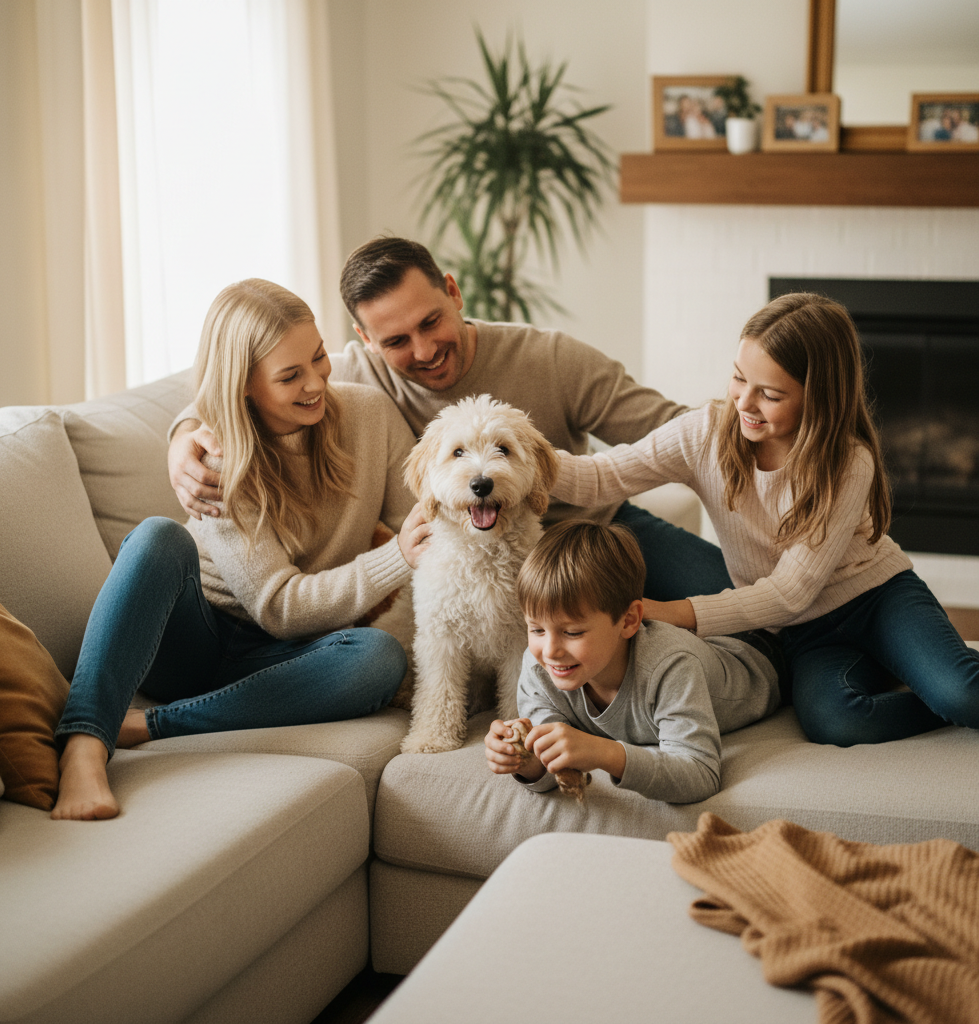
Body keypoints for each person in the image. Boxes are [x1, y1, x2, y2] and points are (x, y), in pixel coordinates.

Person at [168, 236, 732, 602]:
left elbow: (680, 430)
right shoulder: (354, 375)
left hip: (594, 530)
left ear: (454, 292)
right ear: (365, 340)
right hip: (483, 562)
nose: (424, 350)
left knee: (733, 595)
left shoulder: (552, 358)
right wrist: (186, 438)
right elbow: (248, 386)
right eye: (396, 340)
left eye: (432, 321)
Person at [52, 279, 430, 820]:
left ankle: (152, 725)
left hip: (285, 659)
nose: (316, 383)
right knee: (159, 537)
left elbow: (414, 525)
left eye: (319, 357)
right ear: (245, 384)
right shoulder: (219, 457)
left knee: (378, 660)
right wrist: (398, 555)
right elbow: (280, 608)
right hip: (191, 639)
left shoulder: (370, 415)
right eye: (289, 376)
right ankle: (84, 743)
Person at [549, 292, 979, 747]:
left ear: (818, 398)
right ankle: (915, 685)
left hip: (878, 599)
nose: (744, 403)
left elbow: (791, 591)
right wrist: (513, 458)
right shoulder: (704, 434)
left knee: (962, 693)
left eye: (770, 395)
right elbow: (602, 477)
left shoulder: (848, 461)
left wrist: (670, 613)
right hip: (804, 634)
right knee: (836, 722)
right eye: (738, 379)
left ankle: (934, 686)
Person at [484, 521, 781, 803]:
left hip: (759, 647)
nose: (550, 651)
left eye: (572, 632)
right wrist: (523, 760)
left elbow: (701, 773)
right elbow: (557, 766)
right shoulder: (539, 669)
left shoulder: (670, 665)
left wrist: (605, 753)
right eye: (536, 629)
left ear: (628, 621)